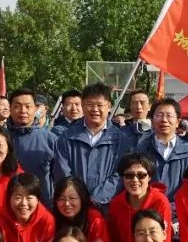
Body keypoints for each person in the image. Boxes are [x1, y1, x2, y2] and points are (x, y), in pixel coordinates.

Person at [53, 82, 134, 210]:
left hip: (109, 208)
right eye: (90, 104)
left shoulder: (121, 139)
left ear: (109, 106)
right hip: (74, 208)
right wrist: (77, 197)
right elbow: (62, 171)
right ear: (83, 105)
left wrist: (96, 199)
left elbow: (121, 174)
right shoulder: (67, 137)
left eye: (100, 105)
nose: (95, 109)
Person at [108, 154, 173, 242]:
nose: (135, 180)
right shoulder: (116, 204)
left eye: (141, 175)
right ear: (123, 178)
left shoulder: (160, 202)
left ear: (149, 177)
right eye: (129, 175)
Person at [138, 98, 188, 205]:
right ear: (152, 120)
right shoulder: (142, 148)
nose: (164, 120)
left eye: (169, 115)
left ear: (177, 122)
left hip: (178, 210)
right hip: (147, 208)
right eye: (159, 115)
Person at [53, 176, 111, 242]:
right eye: (61, 199)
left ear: (82, 199)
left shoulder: (95, 220)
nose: (66, 203)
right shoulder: (53, 220)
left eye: (72, 198)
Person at [7, 88, 57, 201]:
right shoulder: (1, 138)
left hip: (43, 204)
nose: (23, 110)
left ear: (35, 109)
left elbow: (59, 177)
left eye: (28, 106)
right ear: (10, 108)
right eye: (17, 106)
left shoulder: (50, 139)